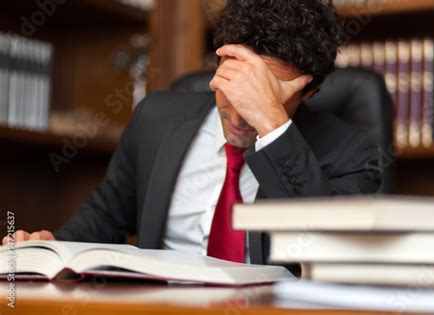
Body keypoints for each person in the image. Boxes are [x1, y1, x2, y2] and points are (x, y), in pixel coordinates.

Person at [2, 0, 381, 271]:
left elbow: (333, 252)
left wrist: (272, 122)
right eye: (234, 87)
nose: (240, 114)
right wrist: (51, 247)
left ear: (310, 92)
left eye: (265, 96)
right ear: (217, 62)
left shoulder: (351, 151)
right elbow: (105, 216)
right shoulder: (156, 118)